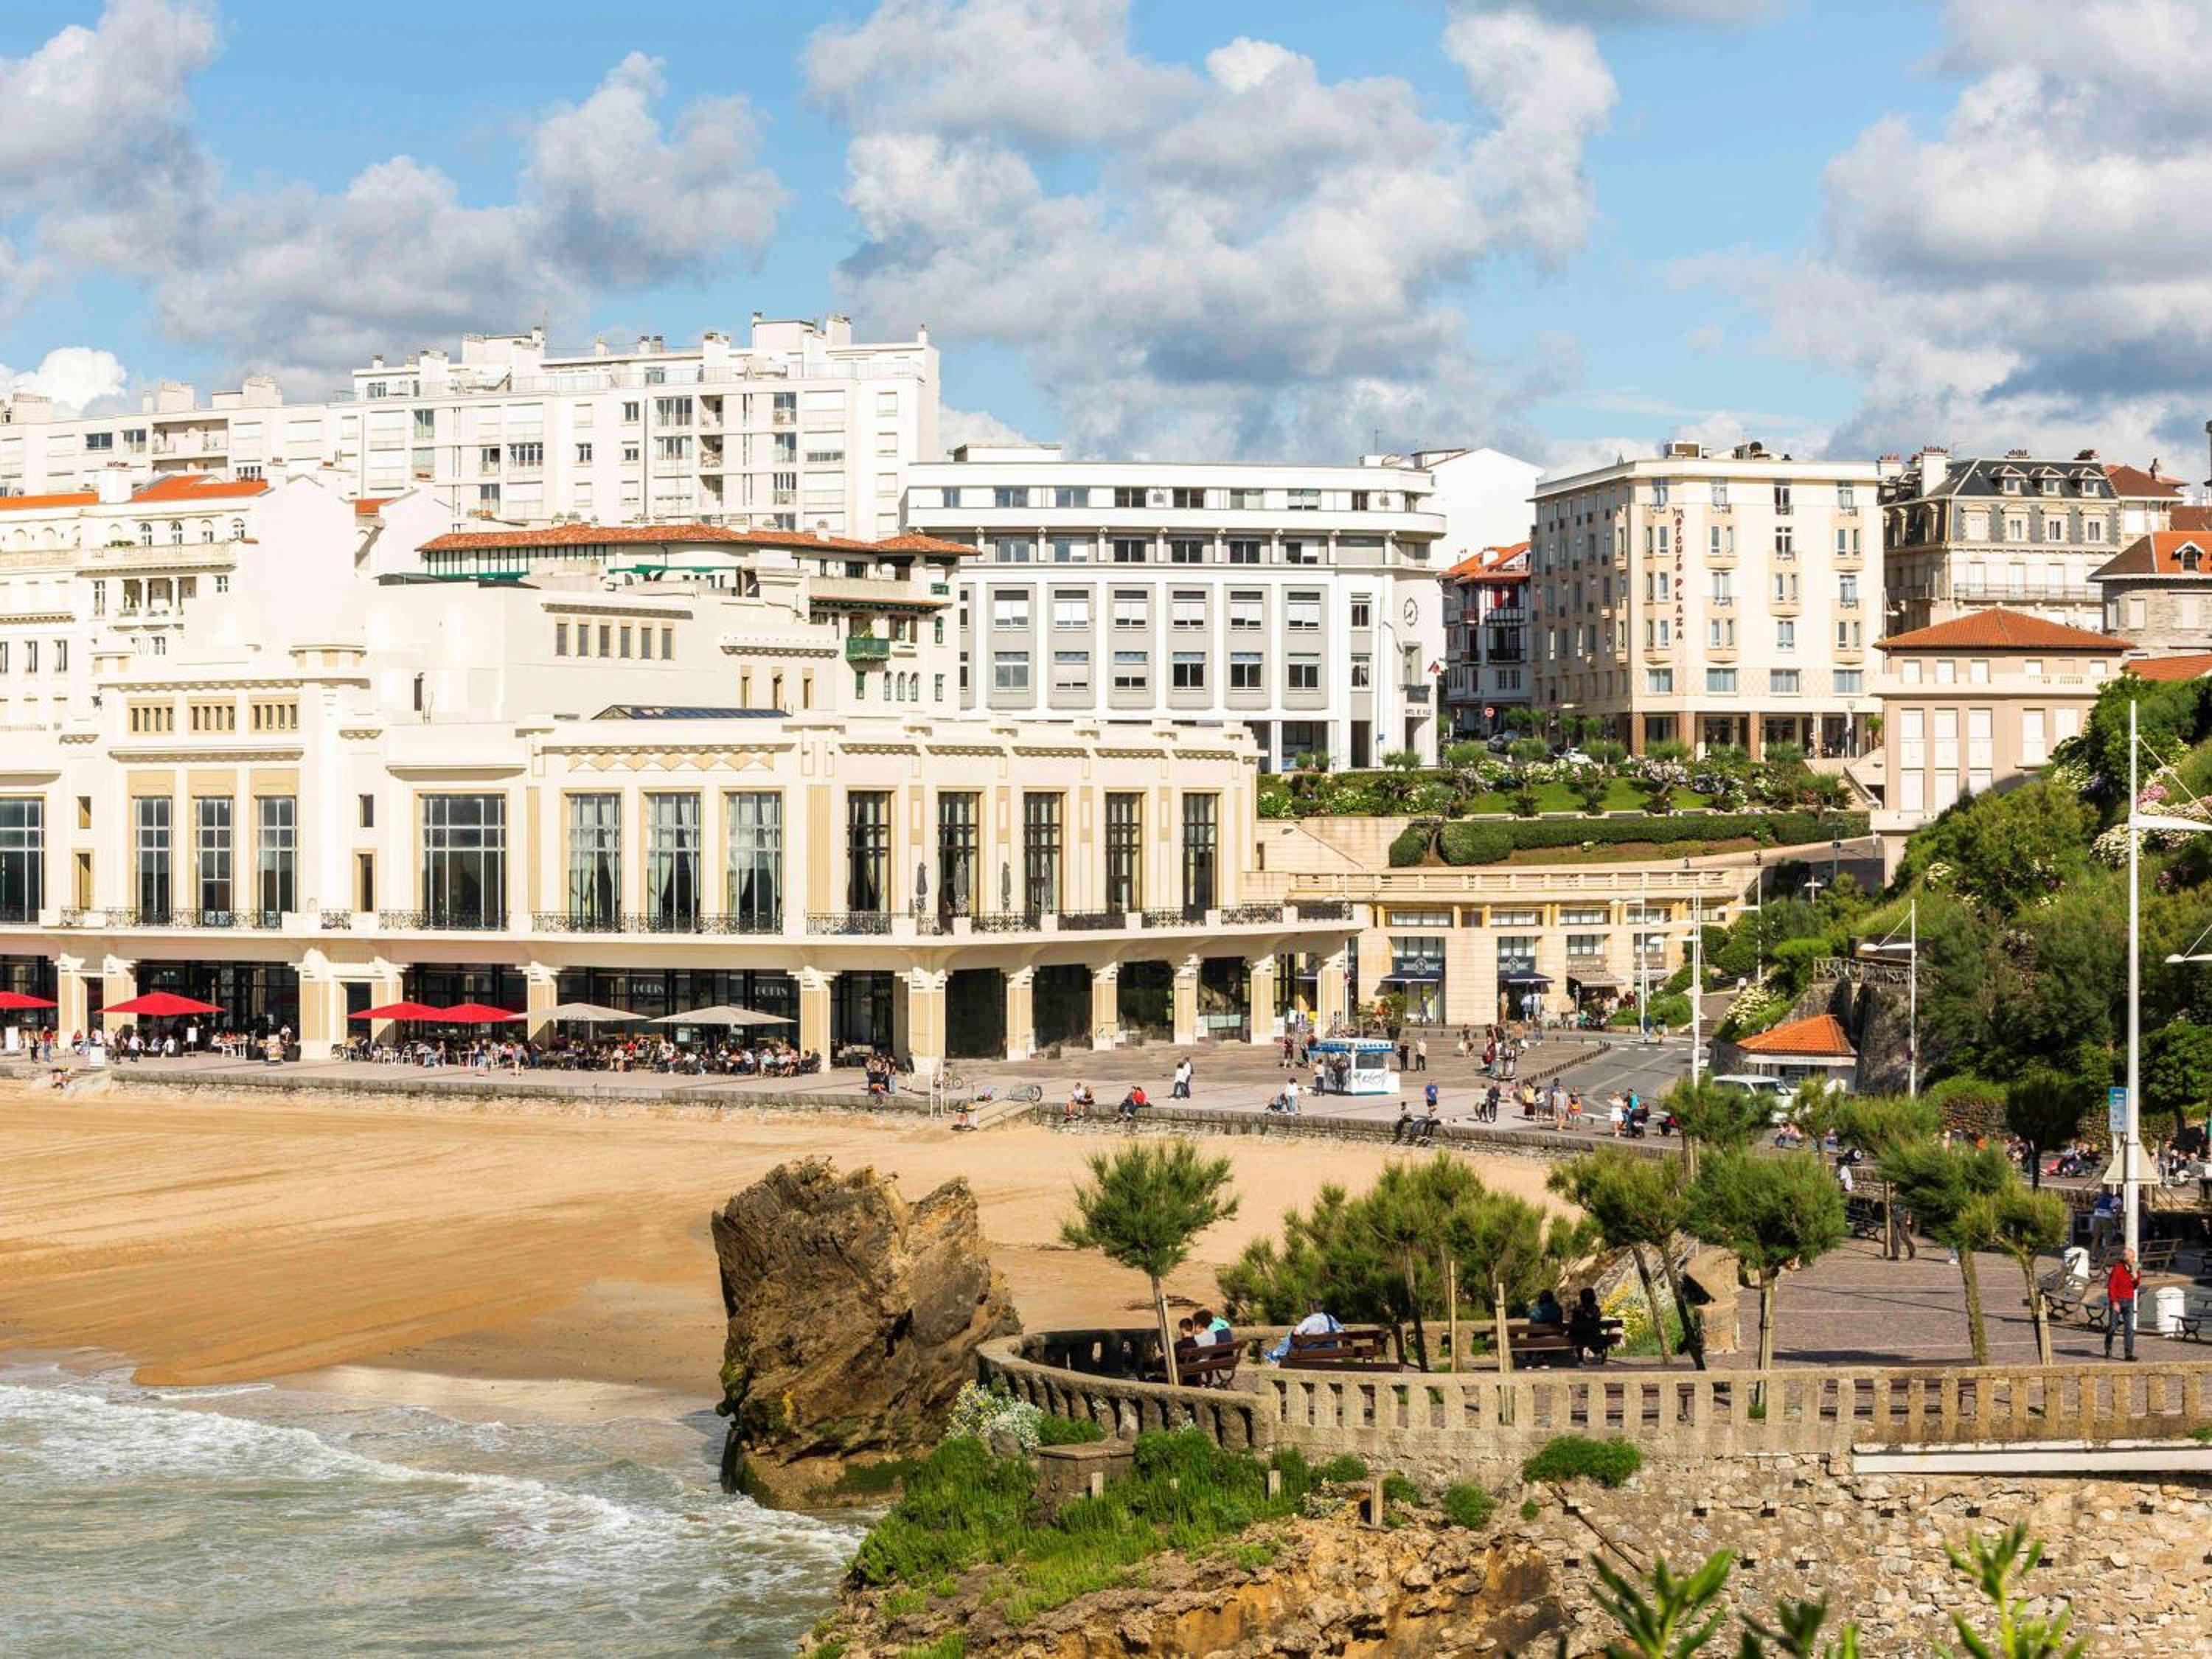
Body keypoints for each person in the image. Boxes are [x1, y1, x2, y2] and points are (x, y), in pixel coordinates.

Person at [1265, 1302, 1344, 1363]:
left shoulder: (1309, 1320)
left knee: (1291, 1332)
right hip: (1330, 1352)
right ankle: (1278, 1353)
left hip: (1309, 1353)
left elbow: (1296, 1333)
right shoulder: (1330, 1318)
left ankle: (1278, 1354)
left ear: (1311, 1309)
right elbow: (1342, 1331)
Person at [2105, 1246, 2140, 1362]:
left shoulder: (2136, 1267)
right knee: (2112, 1327)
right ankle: (2108, 1347)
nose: (2131, 1259)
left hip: (2129, 1300)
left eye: (2132, 1257)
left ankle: (2128, 1354)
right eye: (2129, 1257)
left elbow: (2135, 1286)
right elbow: (2111, 1286)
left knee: (2129, 1328)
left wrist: (2136, 1278)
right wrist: (2114, 1302)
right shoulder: (2118, 1268)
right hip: (2118, 1300)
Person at [1568, 1288, 1606, 1362]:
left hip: (1581, 1335)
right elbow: (1596, 1319)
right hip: (1593, 1334)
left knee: (1578, 1337)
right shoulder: (1595, 1308)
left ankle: (1580, 1358)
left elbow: (1574, 1322)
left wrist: (1582, 1312)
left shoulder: (1580, 1309)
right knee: (1586, 1337)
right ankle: (1596, 1354)